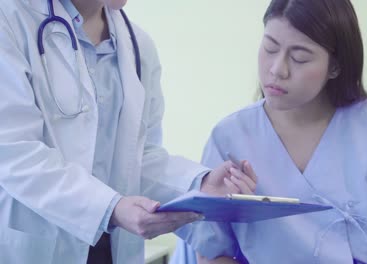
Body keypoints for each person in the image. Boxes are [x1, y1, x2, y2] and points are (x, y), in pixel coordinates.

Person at [172, 0, 367, 263]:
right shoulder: (229, 137)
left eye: (300, 58)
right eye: (270, 48)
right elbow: (212, 254)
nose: (277, 69)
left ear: (335, 67)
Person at [0, 0, 256, 263]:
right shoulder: (9, 21)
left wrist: (198, 185)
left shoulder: (137, 46)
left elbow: (139, 158)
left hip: (111, 248)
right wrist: (111, 208)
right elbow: (14, 154)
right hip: (33, 245)